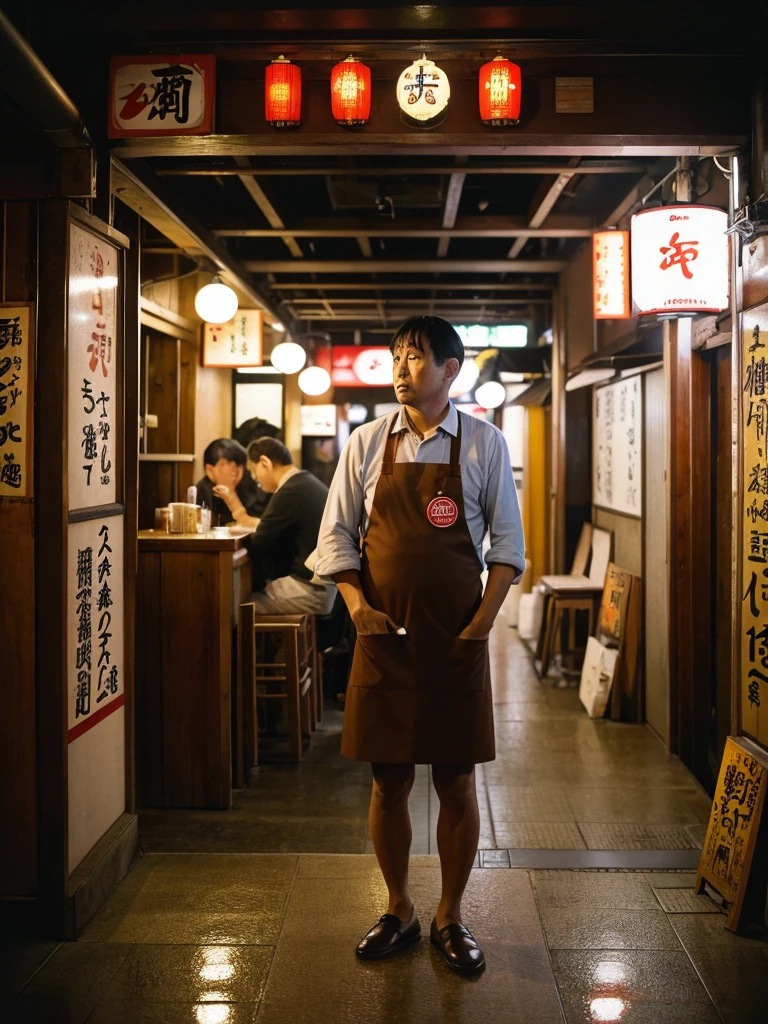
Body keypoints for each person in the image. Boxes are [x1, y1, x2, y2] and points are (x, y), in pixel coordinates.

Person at [315, 315, 525, 974]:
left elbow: (508, 547)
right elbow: (337, 536)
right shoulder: (368, 441)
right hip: (385, 637)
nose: (403, 369)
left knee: (457, 780)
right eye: (397, 358)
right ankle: (400, 906)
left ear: (451, 370)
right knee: (388, 780)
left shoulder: (484, 443)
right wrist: (357, 609)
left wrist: (482, 623)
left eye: (416, 358)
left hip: (457, 640)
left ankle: (451, 915)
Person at [213, 437, 336, 615]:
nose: (259, 484)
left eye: (255, 476)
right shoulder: (304, 482)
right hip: (324, 587)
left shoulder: (290, 491)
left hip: (310, 590)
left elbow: (260, 542)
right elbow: (267, 526)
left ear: (264, 463)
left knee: (234, 607)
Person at [195, 438, 268, 526]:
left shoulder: (253, 487)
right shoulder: (201, 492)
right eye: (226, 464)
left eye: (238, 465)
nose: (235, 471)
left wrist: (233, 499)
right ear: (210, 470)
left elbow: (264, 527)